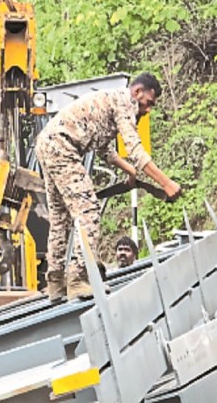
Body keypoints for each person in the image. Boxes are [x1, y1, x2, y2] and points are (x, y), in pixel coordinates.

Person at [35, 72, 181, 301]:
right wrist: (166, 183)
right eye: (148, 103)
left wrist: (130, 172)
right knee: (88, 210)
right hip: (62, 146)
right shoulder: (125, 103)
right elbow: (135, 150)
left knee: (60, 217)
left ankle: (55, 282)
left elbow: (106, 151)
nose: (147, 109)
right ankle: (78, 278)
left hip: (47, 143)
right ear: (137, 92)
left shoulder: (108, 103)